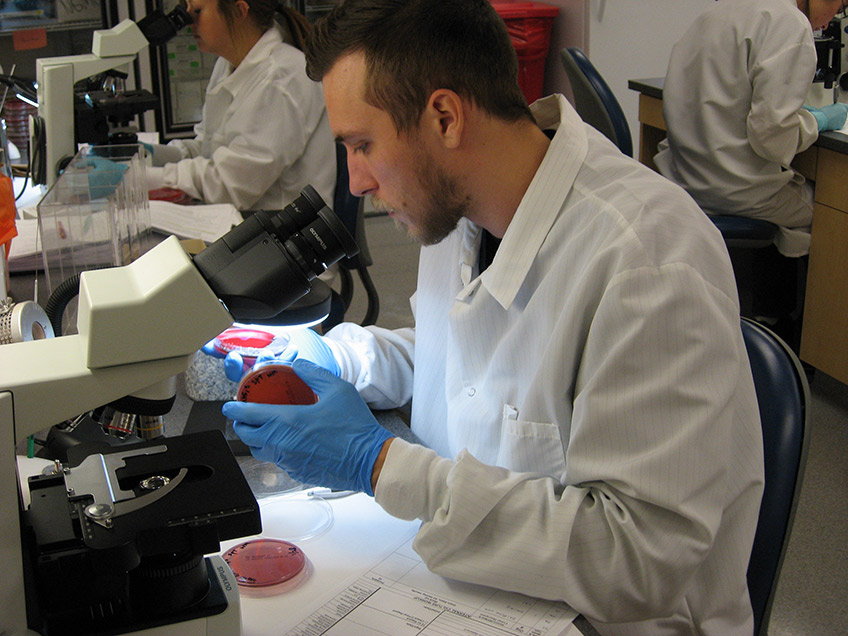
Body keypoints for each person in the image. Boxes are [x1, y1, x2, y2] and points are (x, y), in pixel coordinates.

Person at [221, 1, 765, 634]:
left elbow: (637, 562)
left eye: (362, 145)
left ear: (445, 117)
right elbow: (464, 358)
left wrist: (376, 463)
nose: (357, 180)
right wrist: (339, 356)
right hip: (483, 592)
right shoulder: (459, 211)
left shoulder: (647, 260)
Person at [144, 0, 336, 211]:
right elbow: (207, 149)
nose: (189, 22)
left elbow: (231, 186)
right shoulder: (228, 65)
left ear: (239, 11)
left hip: (284, 231)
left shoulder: (282, 77)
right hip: (248, 221)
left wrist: (139, 179)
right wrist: (150, 156)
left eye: (197, 11)